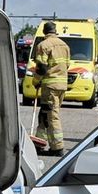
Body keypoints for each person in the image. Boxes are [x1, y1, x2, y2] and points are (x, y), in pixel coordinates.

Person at [31, 21, 71, 156]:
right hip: (62, 86)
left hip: (50, 86)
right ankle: (39, 143)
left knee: (52, 116)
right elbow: (67, 65)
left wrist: (35, 81)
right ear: (55, 31)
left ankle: (57, 147)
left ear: (44, 32)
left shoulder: (43, 45)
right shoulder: (64, 45)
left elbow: (41, 68)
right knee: (45, 114)